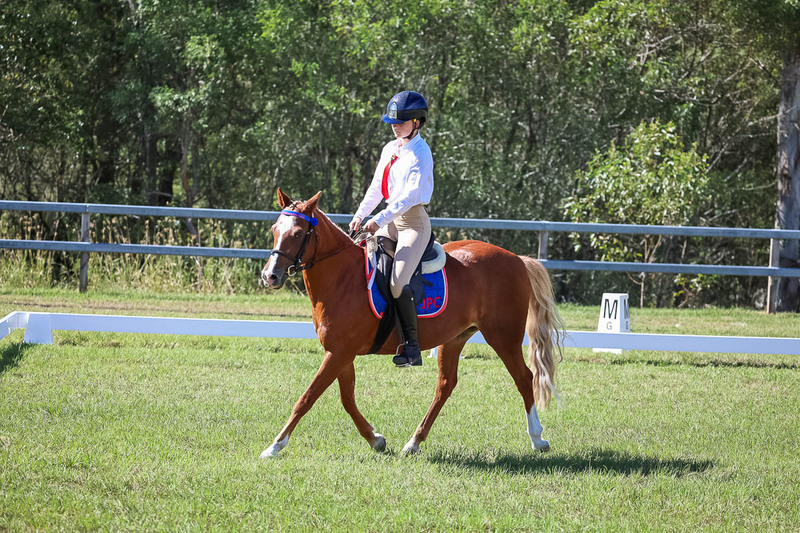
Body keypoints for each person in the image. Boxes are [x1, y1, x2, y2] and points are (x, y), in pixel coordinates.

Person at [349, 90, 433, 367]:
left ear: (417, 123)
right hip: (389, 222)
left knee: (398, 281)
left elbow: (408, 197)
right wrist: (360, 215)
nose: (395, 126)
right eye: (393, 122)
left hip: (413, 225)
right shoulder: (390, 148)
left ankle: (412, 347)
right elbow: (376, 188)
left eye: (402, 121)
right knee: (368, 263)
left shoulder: (421, 153)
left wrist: (379, 220)